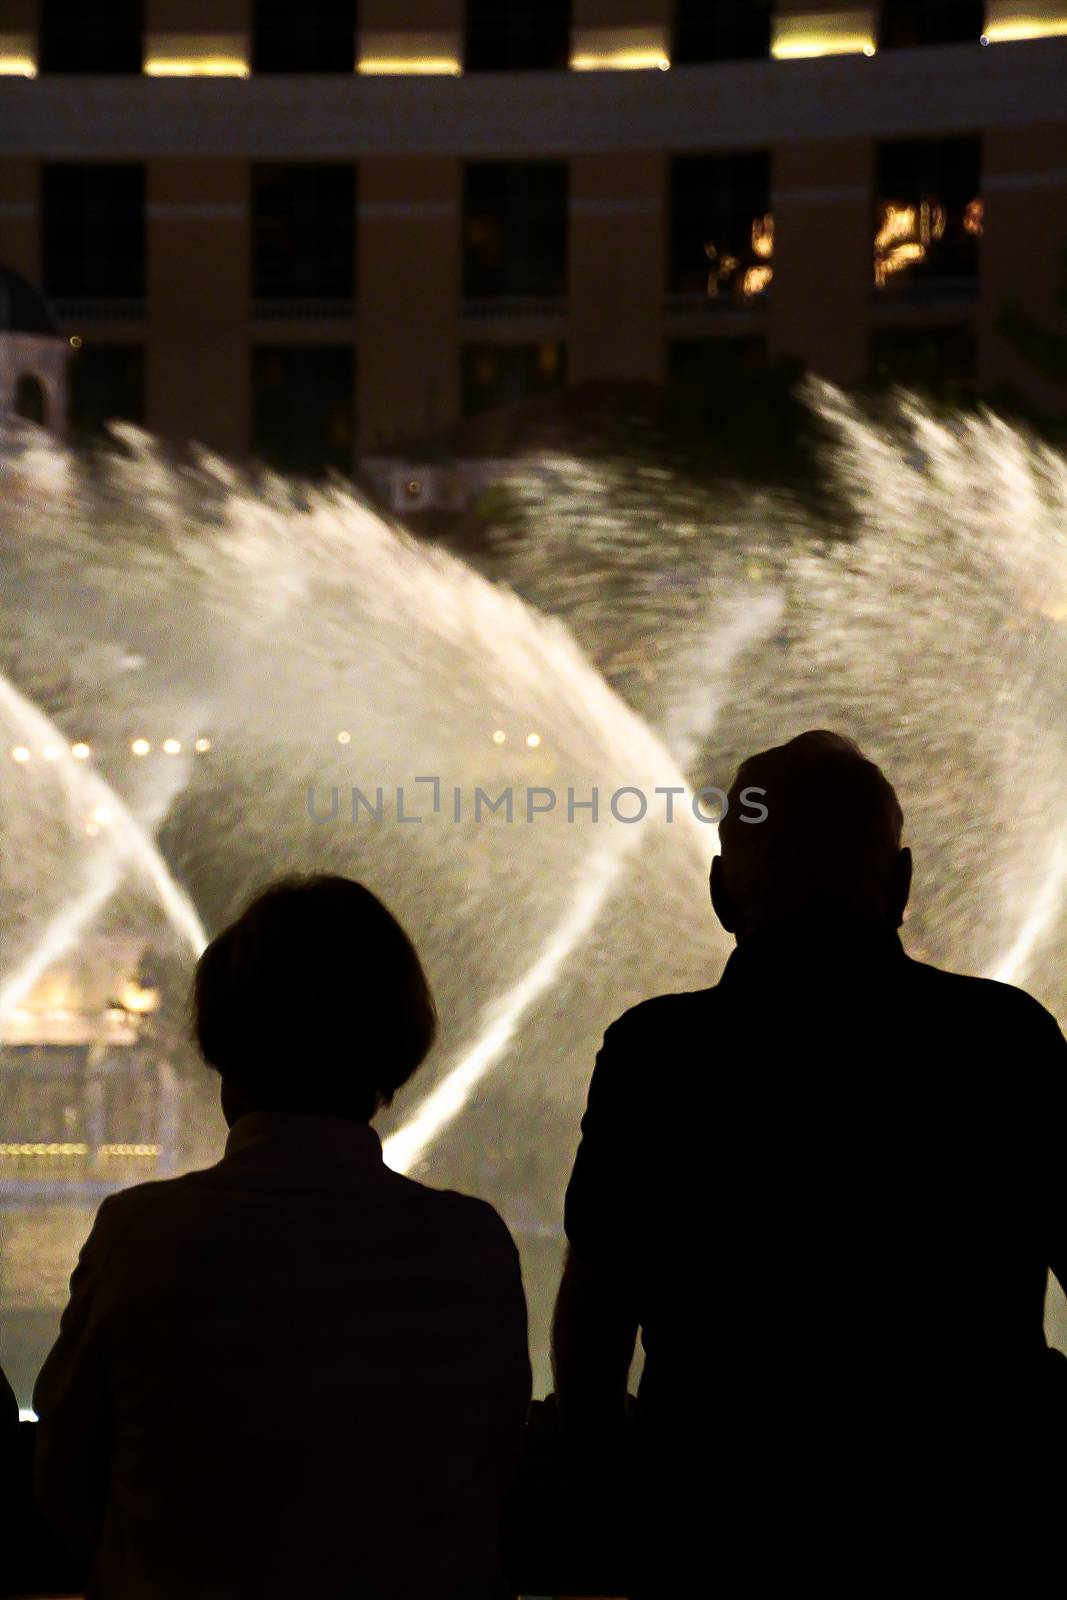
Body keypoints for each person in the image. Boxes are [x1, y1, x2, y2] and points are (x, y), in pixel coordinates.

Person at [553, 730, 1067, 1593]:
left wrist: (604, 1484)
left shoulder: (656, 1053)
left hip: (721, 1524)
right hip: (974, 1524)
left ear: (721, 892)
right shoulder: (1006, 1038)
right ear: (899, 884)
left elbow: (597, 1312)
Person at [33, 875, 531, 1600]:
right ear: (393, 1055)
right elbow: (493, 1470)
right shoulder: (472, 1244)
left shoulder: (142, 1237)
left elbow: (64, 1473)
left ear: (224, 1053)